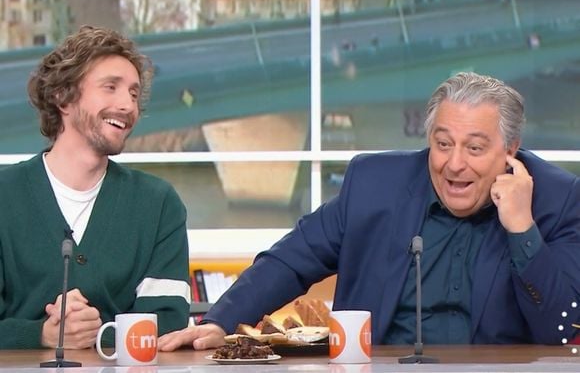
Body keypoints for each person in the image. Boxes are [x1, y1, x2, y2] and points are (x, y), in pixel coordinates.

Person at [158, 72, 580, 351]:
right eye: (443, 143)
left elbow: (562, 331)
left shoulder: (556, 201)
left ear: (509, 149)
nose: (454, 164)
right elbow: (291, 259)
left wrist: (523, 229)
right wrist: (220, 321)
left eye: (474, 148)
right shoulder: (375, 184)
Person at [0, 26, 191, 349]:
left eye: (133, 94)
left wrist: (95, 333)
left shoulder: (159, 204)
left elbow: (168, 320)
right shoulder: (6, 195)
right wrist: (42, 335)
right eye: (110, 88)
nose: (128, 106)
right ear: (63, 97)